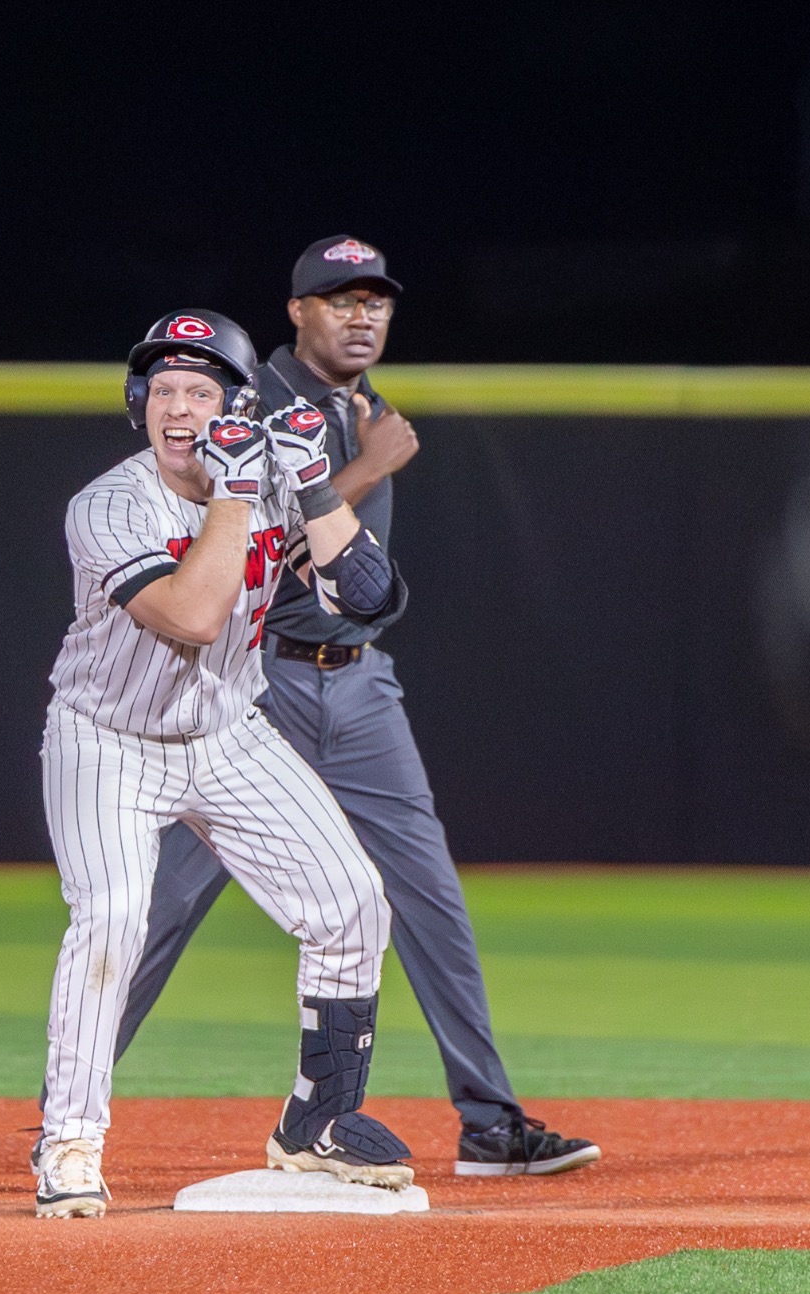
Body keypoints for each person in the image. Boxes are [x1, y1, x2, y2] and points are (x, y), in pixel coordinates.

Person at [111, 237, 599, 1176]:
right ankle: (72, 1098)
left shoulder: (359, 407)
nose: (362, 314)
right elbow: (259, 546)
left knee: (429, 897)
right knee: (164, 894)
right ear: (297, 311)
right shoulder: (254, 403)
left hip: (363, 683)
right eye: (340, 299)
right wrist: (366, 467)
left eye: (375, 298)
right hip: (256, 682)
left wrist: (365, 447)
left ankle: (492, 1122)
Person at [33, 309, 411, 1218]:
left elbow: (371, 599)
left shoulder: (269, 479)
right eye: (161, 388)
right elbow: (195, 617)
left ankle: (316, 1122)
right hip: (106, 738)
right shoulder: (109, 503)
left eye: (199, 390)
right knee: (115, 918)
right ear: (138, 403)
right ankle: (70, 1144)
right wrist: (243, 496)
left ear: (235, 406)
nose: (175, 405)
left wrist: (315, 486)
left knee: (353, 901)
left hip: (226, 731)